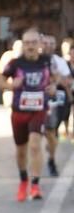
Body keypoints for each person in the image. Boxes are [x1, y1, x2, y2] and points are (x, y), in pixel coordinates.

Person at [0, 28, 57, 202]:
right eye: (27, 43)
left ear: (39, 44)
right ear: (23, 44)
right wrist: (11, 85)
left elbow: (56, 78)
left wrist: (53, 87)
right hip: (19, 112)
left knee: (35, 145)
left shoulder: (47, 61)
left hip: (39, 110)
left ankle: (35, 184)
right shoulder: (15, 63)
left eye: (33, 42)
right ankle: (23, 181)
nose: (30, 46)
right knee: (21, 151)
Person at [41, 35, 71, 176]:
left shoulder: (59, 61)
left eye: (52, 43)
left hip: (56, 102)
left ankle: (51, 160)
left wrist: (54, 82)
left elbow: (66, 80)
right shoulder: (35, 60)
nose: (49, 45)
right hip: (37, 102)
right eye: (46, 43)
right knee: (44, 133)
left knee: (52, 133)